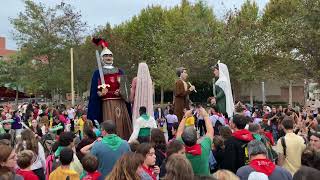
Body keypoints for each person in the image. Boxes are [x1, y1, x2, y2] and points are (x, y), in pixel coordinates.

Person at [88, 37, 132, 140]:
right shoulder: (97, 73)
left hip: (120, 104)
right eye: (106, 56)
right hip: (106, 104)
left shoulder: (120, 71)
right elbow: (94, 93)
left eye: (110, 55)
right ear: (102, 58)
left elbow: (126, 90)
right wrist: (101, 93)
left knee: (122, 127)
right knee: (109, 125)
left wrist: (121, 92)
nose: (109, 58)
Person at [176, 108, 214, 176]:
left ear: (183, 139)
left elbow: (179, 132)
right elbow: (210, 131)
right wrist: (205, 115)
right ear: (197, 137)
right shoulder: (204, 148)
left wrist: (185, 116)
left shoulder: (180, 150)